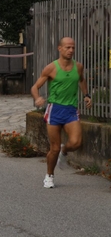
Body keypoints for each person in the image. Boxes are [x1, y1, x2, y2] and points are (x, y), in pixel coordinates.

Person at [31, 37, 92, 189]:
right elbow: (35, 87)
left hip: (71, 110)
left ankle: (64, 152)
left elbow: (82, 80)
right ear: (60, 48)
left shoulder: (78, 67)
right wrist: (37, 98)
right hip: (55, 110)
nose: (71, 50)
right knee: (54, 148)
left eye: (73, 47)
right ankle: (49, 175)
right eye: (67, 47)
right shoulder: (51, 68)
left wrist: (86, 95)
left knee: (76, 142)